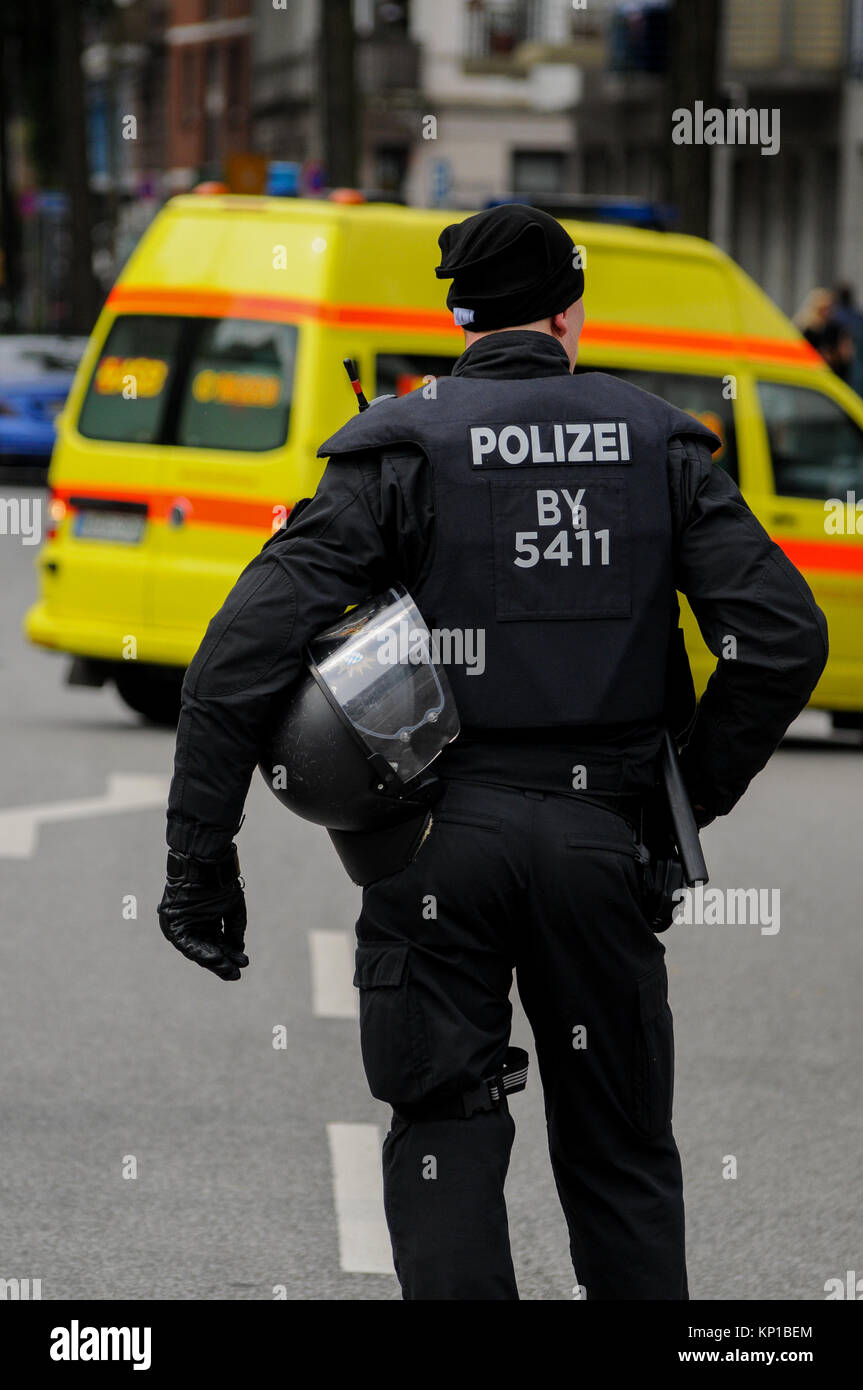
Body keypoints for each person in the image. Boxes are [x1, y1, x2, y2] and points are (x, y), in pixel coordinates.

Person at [157, 204, 828, 1300]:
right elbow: (784, 640)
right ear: (569, 310)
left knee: (443, 1132)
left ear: (457, 315)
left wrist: (199, 868)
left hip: (433, 844)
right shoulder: (657, 441)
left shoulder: (396, 443)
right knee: (619, 1154)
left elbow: (233, 662)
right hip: (600, 840)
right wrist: (680, 804)